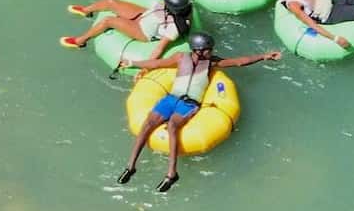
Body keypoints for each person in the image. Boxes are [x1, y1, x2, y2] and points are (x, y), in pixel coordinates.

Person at [114, 33, 281, 192]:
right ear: (198, 51)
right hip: (171, 99)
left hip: (189, 104)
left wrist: (264, 56)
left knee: (172, 125)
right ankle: (131, 166)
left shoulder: (211, 63)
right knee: (147, 124)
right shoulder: (180, 58)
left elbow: (239, 61)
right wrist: (133, 63)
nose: (212, 52)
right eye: (209, 49)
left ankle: (172, 173)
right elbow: (157, 64)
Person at [61, 0, 193, 60]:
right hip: (144, 15)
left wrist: (146, 67)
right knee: (110, 2)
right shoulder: (173, 6)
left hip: (143, 31)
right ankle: (85, 11)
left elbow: (160, 48)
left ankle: (80, 41)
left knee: (108, 20)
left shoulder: (174, 27)